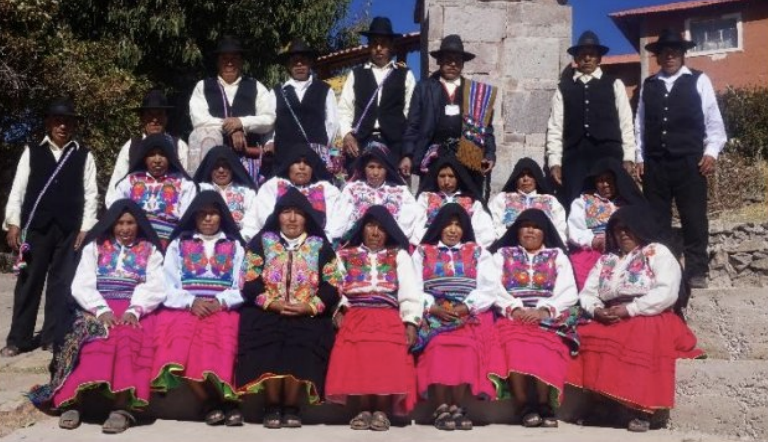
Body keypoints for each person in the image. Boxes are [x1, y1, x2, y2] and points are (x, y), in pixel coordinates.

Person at [28, 200, 165, 433]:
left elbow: (155, 285)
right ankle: (73, 402)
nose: (125, 228)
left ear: (138, 224)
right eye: (120, 223)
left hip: (136, 307)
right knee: (94, 337)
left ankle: (121, 408)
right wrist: (101, 310)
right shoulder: (96, 246)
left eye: (130, 223)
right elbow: (82, 284)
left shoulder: (149, 250)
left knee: (128, 337)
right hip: (96, 305)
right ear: (111, 224)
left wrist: (134, 309)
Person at [568, 205, 704, 432]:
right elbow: (588, 292)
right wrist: (596, 310)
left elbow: (667, 291)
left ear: (640, 228)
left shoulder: (656, 252)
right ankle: (603, 404)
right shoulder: (606, 260)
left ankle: (642, 408)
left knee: (640, 334)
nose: (623, 233)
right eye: (618, 230)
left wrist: (631, 309)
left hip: (651, 312)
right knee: (589, 333)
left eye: (628, 228)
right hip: (611, 313)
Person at [237, 188, 342, 428]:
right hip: (268, 308)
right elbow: (248, 278)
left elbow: (332, 283)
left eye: (298, 213)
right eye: (286, 212)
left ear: (307, 217)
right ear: (278, 216)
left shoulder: (319, 246)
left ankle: (292, 405)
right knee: (266, 336)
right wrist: (270, 302)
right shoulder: (263, 242)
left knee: (304, 340)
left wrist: (309, 306)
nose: (292, 218)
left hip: (306, 311)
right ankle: (272, 404)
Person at [2, 98, 98, 357]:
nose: (62, 126)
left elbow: (91, 193)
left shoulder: (84, 155)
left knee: (62, 283)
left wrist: (86, 227)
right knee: (29, 281)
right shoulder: (32, 151)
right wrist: (13, 222)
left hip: (69, 229)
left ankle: (52, 336)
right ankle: (18, 339)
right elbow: (19, 189)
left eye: (67, 121)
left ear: (73, 125)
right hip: (37, 227)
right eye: (58, 121)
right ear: (49, 123)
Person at [635, 29, 727, 289]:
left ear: (683, 54)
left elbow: (713, 120)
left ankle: (697, 271)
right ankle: (662, 272)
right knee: (657, 220)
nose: (670, 55)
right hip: (655, 164)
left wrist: (710, 152)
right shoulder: (649, 85)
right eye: (665, 52)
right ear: (659, 56)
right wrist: (640, 156)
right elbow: (640, 124)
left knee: (694, 217)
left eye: (675, 51)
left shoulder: (699, 80)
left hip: (690, 162)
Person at [150, 191, 246, 426]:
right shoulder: (179, 244)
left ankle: (228, 400)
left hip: (222, 306)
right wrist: (190, 302)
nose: (207, 219)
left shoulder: (235, 245)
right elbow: (168, 283)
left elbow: (242, 284)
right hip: (185, 307)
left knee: (223, 340)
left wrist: (221, 301)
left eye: (213, 214)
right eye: (202, 214)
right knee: (182, 344)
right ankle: (208, 401)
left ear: (222, 216)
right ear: (194, 217)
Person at [325, 206, 421, 431]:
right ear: (362, 228)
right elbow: (335, 286)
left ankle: (381, 410)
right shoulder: (345, 255)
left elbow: (409, 291)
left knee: (384, 359)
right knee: (359, 360)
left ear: (388, 232)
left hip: (388, 314)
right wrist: (339, 308)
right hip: (356, 313)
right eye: (370, 226)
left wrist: (410, 322)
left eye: (381, 228)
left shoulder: (398, 255)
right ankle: (363, 409)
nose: (375, 233)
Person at [411, 204, 500, 431]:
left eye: (458, 225)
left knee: (466, 347)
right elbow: (412, 287)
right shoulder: (422, 252)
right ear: (438, 226)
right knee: (438, 345)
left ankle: (456, 405)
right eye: (448, 225)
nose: (452, 230)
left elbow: (489, 288)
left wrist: (466, 307)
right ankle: (441, 405)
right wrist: (431, 308)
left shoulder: (479, 252)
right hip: (434, 312)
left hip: (466, 312)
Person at [490, 209, 579, 428]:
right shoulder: (501, 254)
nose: (530, 230)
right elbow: (492, 286)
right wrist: (515, 309)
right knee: (514, 343)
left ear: (544, 232)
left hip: (546, 316)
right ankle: (523, 405)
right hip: (513, 315)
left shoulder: (557, 256)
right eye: (525, 226)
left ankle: (542, 403)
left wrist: (544, 311)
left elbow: (568, 291)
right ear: (517, 230)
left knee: (546, 344)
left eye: (536, 227)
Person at [545, 30, 636, 207]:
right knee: (574, 202)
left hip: (608, 154)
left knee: (612, 204)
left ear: (599, 58)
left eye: (592, 55)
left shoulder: (614, 84)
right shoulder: (563, 88)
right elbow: (555, 127)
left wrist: (628, 157)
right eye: (582, 55)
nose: (587, 58)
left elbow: (626, 122)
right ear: (576, 59)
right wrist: (554, 162)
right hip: (575, 157)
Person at [404, 34, 497, 195]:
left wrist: (489, 154)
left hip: (466, 157)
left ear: (462, 64)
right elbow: (413, 124)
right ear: (439, 61)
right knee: (429, 202)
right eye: (448, 59)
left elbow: (486, 128)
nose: (453, 64)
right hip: (433, 157)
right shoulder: (424, 88)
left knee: (469, 202)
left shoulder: (475, 93)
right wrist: (407, 154)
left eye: (457, 60)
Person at [189, 36, 276, 182]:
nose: (229, 63)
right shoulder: (203, 86)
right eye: (224, 58)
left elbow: (269, 119)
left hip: (249, 161)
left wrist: (241, 123)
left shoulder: (256, 86)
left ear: (241, 62)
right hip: (216, 165)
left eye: (234, 58)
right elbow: (199, 121)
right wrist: (232, 128)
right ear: (217, 62)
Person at [338, 16, 416, 177]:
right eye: (374, 43)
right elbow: (344, 109)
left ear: (391, 46)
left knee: (394, 194)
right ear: (369, 46)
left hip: (394, 146)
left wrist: (407, 151)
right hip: (360, 144)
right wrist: (347, 135)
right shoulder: (356, 74)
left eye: (383, 43)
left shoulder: (405, 75)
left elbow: (412, 115)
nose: (379, 48)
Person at [265, 39, 340, 177]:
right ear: (288, 65)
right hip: (284, 158)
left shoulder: (324, 90)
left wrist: (321, 147)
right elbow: (270, 121)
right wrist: (270, 142)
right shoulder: (276, 92)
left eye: (303, 60)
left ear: (310, 62)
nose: (299, 64)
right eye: (294, 60)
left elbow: (332, 123)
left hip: (315, 159)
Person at [107, 133, 197, 248]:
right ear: (144, 158)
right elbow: (116, 210)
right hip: (135, 242)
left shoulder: (184, 183)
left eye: (162, 155)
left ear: (170, 157)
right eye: (151, 155)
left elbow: (186, 219)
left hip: (169, 242)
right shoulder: (129, 181)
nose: (157, 160)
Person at [568, 158, 645, 290]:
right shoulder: (583, 201)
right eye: (600, 180)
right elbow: (574, 229)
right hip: (594, 251)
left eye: (609, 180)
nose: (605, 184)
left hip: (626, 250)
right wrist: (593, 241)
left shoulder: (629, 202)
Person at [106, 90, 190, 203]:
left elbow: (189, 185)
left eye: (159, 114)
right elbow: (115, 187)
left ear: (166, 118)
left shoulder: (179, 146)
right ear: (142, 118)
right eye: (149, 115)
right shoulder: (131, 146)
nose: (154, 120)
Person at [327, 146, 418, 243]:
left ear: (387, 169)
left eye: (380, 167)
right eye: (371, 167)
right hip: (357, 243)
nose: (375, 172)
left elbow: (406, 226)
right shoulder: (352, 189)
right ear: (364, 168)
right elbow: (340, 221)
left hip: (391, 244)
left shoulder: (401, 192)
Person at [254, 144, 340, 238]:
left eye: (307, 163)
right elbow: (264, 217)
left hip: (318, 241)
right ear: (289, 165)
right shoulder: (273, 185)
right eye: (297, 162)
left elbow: (335, 222)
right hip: (277, 240)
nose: (302, 167)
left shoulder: (328, 189)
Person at [412, 157, 494, 247]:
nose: (446, 181)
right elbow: (416, 226)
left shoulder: (472, 201)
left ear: (458, 177)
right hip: (430, 247)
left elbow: (485, 231)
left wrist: (468, 247)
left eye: (451, 176)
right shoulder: (425, 198)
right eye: (442, 176)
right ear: (436, 177)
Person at [489, 157, 567, 242]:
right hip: (508, 245)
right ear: (516, 178)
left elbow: (560, 228)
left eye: (530, 175)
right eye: (521, 175)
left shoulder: (550, 200)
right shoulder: (502, 198)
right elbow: (493, 225)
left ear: (536, 178)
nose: (525, 179)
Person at [193, 145, 259, 241]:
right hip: (204, 241)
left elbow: (252, 225)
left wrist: (236, 242)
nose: (221, 170)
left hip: (240, 242)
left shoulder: (247, 192)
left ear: (232, 167)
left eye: (225, 166)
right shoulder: (199, 190)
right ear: (209, 168)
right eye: (216, 166)